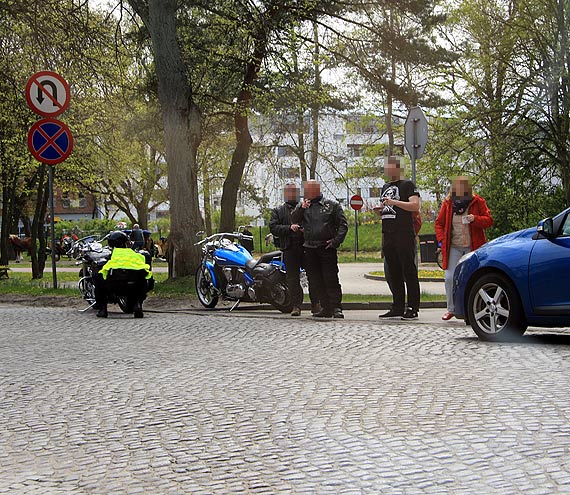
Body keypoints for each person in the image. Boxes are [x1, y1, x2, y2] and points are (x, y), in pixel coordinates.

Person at [435, 176, 493, 320]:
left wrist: (475, 219)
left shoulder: (478, 202)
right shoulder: (448, 203)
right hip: (453, 247)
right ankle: (451, 309)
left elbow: (489, 221)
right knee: (449, 278)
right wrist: (442, 240)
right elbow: (439, 224)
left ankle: (473, 309)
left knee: (473, 278)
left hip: (473, 247)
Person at [291, 180, 348, 319]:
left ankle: (336, 307)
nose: (304, 192)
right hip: (309, 247)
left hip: (326, 247)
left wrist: (336, 241)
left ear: (315, 189)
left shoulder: (331, 205)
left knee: (330, 278)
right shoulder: (303, 205)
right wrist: (301, 208)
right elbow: (293, 219)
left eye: (307, 189)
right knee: (315, 280)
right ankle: (325, 307)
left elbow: (343, 225)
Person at [375, 156, 421, 320]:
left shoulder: (407, 185)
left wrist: (395, 202)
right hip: (388, 234)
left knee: (408, 271)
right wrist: (381, 210)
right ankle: (397, 306)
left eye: (389, 167)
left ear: (397, 168)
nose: (386, 170)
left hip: (403, 234)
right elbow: (388, 208)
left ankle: (413, 307)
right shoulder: (385, 187)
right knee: (393, 272)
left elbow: (415, 205)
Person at [270, 184, 320, 317]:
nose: (291, 193)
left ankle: (316, 303)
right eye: (289, 191)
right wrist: (288, 228)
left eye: (294, 191)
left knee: (313, 276)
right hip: (289, 247)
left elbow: (315, 223)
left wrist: (305, 229)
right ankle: (296, 305)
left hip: (306, 246)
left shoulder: (306, 207)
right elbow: (273, 227)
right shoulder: (278, 210)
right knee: (292, 278)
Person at [94, 231, 153, 319]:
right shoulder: (136, 255)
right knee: (142, 282)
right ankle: (138, 304)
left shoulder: (112, 257)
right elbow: (145, 270)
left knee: (98, 280)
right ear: (126, 242)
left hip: (114, 286)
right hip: (135, 285)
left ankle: (103, 310)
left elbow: (103, 273)